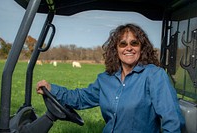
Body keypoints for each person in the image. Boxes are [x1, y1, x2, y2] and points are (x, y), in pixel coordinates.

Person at [36, 23, 185, 132]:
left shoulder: (154, 76)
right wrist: (52, 89)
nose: (128, 48)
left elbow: (172, 121)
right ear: (116, 49)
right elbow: (80, 98)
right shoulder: (105, 79)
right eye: (123, 44)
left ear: (142, 48)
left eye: (134, 43)